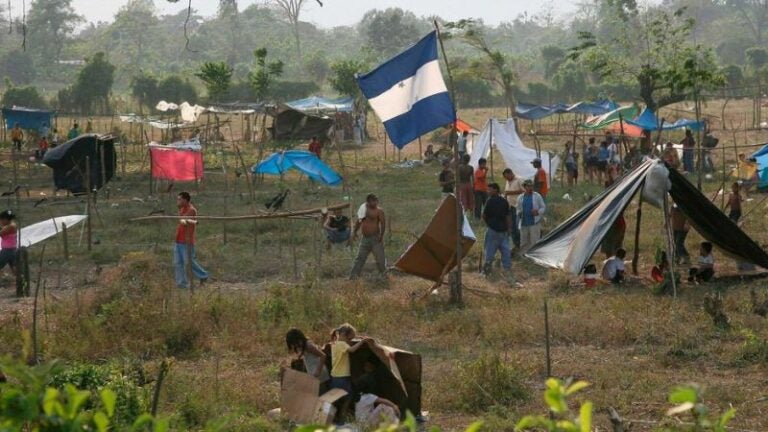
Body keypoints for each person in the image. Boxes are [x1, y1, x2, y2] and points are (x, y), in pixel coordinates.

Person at [330, 324, 371, 413]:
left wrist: (357, 338)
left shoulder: (334, 343)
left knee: (335, 397)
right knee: (348, 396)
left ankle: (331, 415)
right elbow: (352, 350)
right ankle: (342, 417)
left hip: (335, 375)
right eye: (349, 339)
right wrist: (362, 342)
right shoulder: (342, 344)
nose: (350, 341)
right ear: (343, 335)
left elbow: (348, 343)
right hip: (342, 376)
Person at [174, 192, 209, 289]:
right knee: (177, 263)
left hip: (187, 241)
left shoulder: (192, 210)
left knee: (189, 262)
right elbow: (181, 220)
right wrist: (180, 218)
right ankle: (181, 284)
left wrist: (181, 219)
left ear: (185, 200)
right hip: (178, 240)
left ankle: (203, 275)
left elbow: (184, 221)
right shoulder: (181, 209)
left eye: (180, 199)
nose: (178, 201)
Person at [350, 194, 386, 279]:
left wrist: (381, 235)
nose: (375, 202)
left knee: (380, 259)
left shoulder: (379, 211)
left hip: (375, 238)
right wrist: (354, 232)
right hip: (365, 239)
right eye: (373, 201)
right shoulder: (363, 209)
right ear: (368, 202)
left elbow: (383, 223)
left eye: (376, 201)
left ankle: (384, 276)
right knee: (360, 258)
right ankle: (353, 277)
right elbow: (359, 221)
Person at [482, 183, 512, 278]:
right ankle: (506, 270)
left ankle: (487, 271)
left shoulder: (490, 201)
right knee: (506, 251)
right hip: (503, 230)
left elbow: (484, 215)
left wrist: (489, 225)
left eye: (490, 189)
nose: (488, 191)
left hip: (494, 230)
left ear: (495, 190)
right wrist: (508, 228)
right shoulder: (504, 201)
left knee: (490, 251)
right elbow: (508, 217)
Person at [517, 179, 546, 252]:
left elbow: (543, 207)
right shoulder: (520, 197)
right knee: (524, 241)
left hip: (534, 223)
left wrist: (538, 212)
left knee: (534, 240)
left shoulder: (537, 196)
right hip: (524, 222)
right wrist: (519, 213)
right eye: (528, 186)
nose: (530, 188)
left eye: (531, 186)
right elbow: (518, 209)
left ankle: (534, 256)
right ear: (524, 187)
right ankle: (524, 256)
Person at [503, 168, 523, 249]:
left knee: (518, 225)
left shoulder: (518, 180)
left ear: (510, 173)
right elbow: (506, 192)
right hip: (509, 206)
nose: (506, 178)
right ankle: (516, 244)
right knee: (512, 226)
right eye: (505, 177)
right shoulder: (507, 182)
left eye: (507, 176)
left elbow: (523, 191)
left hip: (517, 206)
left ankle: (521, 242)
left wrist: (510, 193)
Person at [0, 210, 18, 278]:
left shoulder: (11, 226)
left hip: (7, 251)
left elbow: (1, 232)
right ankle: (20, 281)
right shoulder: (12, 225)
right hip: (12, 249)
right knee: (14, 267)